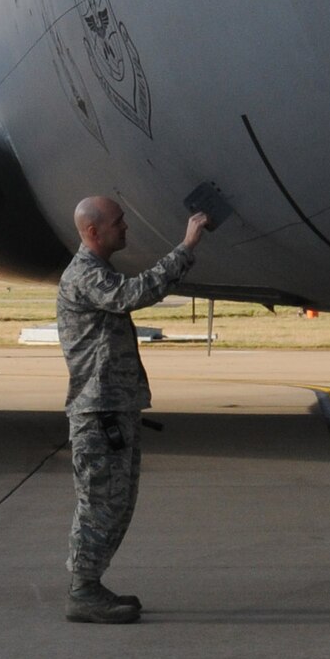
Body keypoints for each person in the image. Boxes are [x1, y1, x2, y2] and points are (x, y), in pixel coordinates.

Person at [58, 196, 209, 624]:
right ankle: (83, 591)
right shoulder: (86, 275)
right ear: (93, 231)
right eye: (118, 222)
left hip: (113, 408)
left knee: (117, 502)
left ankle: (90, 585)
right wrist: (187, 246)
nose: (126, 228)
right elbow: (134, 295)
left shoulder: (97, 271)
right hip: (99, 410)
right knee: (100, 503)